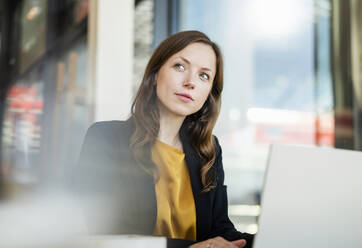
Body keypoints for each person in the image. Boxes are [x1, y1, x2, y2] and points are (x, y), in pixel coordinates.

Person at [75, 30, 254, 248]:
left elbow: (220, 230)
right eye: (180, 66)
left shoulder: (208, 150)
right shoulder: (106, 138)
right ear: (155, 75)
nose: (190, 82)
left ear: (209, 94)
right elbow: (109, 232)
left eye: (204, 75)